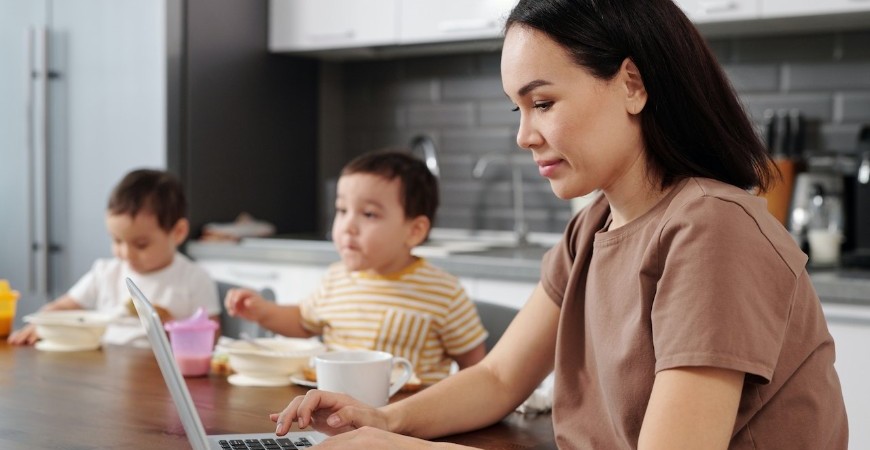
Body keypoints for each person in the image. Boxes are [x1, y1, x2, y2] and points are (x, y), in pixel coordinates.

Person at [269, 0, 849, 448]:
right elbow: (499, 378)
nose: (524, 135)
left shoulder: (713, 229)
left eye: (542, 103)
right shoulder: (593, 225)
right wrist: (384, 419)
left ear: (632, 84)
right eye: (517, 109)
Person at [223, 150, 487, 385]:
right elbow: (304, 323)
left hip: (408, 421)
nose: (347, 226)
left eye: (369, 214)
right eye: (342, 210)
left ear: (414, 231)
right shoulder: (336, 278)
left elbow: (475, 366)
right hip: (334, 411)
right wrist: (263, 311)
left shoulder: (444, 292)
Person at [7, 169, 221, 346]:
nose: (125, 254)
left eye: (141, 244)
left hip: (159, 375)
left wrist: (167, 322)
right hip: (104, 364)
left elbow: (212, 339)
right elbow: (63, 306)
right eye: (117, 241)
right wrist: (42, 322)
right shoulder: (105, 272)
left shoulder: (194, 278)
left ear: (178, 232)